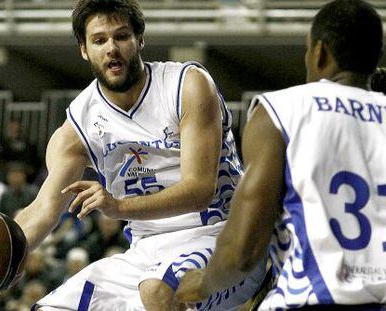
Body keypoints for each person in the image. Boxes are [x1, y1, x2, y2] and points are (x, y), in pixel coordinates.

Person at [14, 0, 265, 310]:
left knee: (158, 291)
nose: (111, 48)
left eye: (121, 36)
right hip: (144, 253)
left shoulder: (186, 85)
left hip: (222, 237)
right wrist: (9, 253)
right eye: (99, 40)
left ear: (139, 39)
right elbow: (43, 208)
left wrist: (117, 206)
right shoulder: (79, 122)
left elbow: (200, 190)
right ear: (83, 49)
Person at [176, 0, 386, 310]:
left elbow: (244, 251)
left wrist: (204, 282)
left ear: (320, 52)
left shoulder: (282, 111)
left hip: (312, 300)